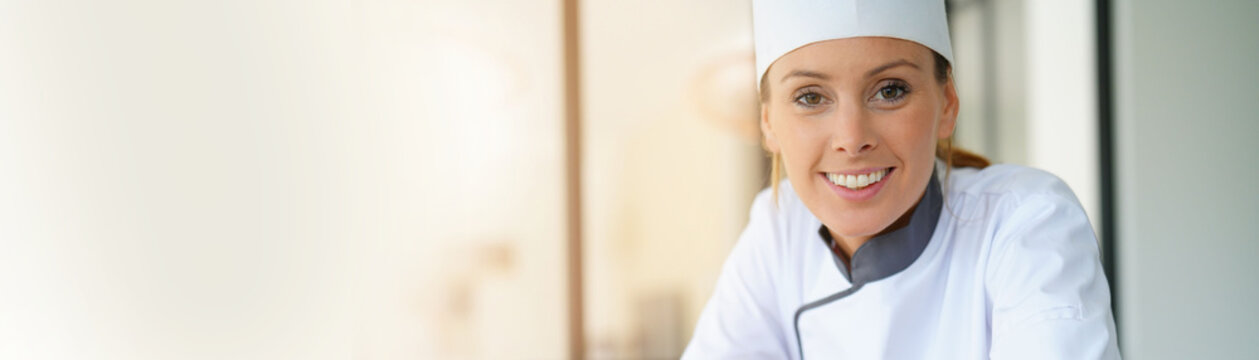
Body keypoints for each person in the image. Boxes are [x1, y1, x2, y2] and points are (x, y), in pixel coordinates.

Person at [681, 0, 1121, 358]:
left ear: (947, 102)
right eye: (811, 97)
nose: (852, 139)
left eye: (890, 90)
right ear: (768, 123)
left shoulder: (1027, 223)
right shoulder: (779, 231)